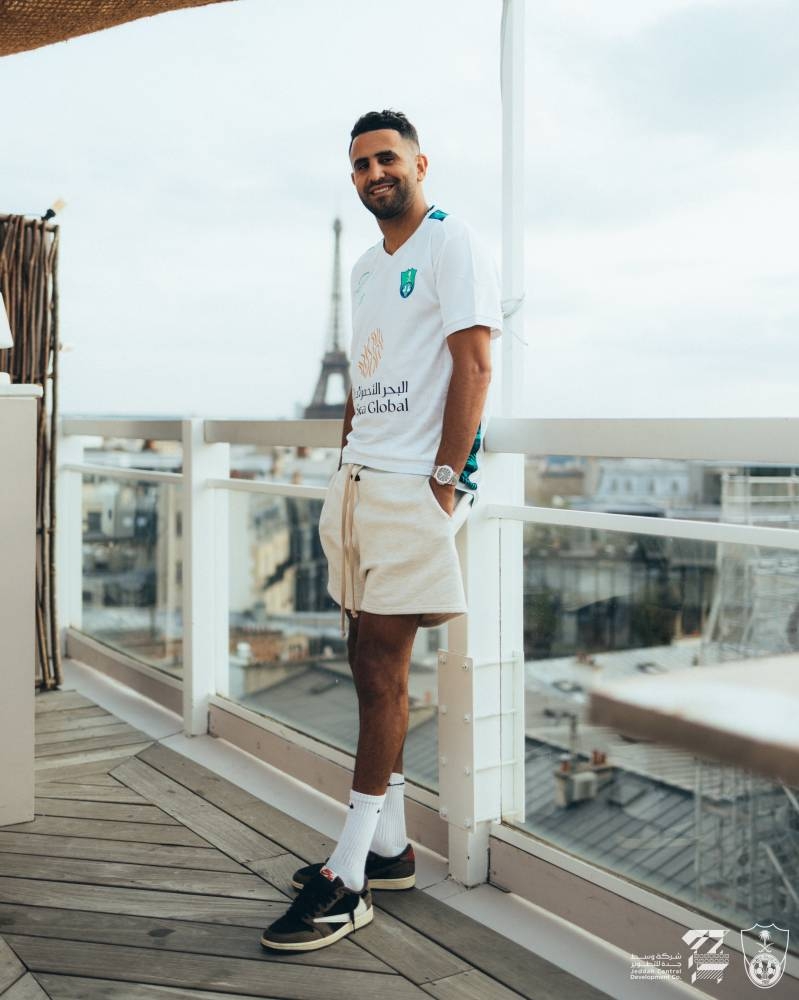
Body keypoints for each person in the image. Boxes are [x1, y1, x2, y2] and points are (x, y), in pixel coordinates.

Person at [261, 109, 502, 952]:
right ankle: (390, 849)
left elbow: (475, 363)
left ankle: (348, 876)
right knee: (365, 660)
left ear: (419, 163)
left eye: (386, 158)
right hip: (360, 482)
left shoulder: (450, 241)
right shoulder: (367, 267)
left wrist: (443, 483)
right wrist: (344, 463)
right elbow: (363, 384)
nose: (373, 174)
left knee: (379, 668)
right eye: (360, 164)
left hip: (411, 490)